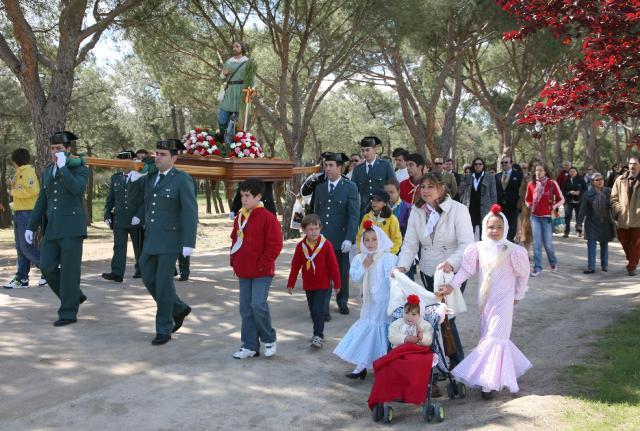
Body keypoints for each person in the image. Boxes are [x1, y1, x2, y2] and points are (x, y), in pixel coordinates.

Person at [440, 204, 531, 399]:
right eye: (491, 227)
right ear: (484, 227)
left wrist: (518, 295)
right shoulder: (478, 248)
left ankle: (489, 384)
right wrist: (451, 285)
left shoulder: (513, 250)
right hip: (485, 301)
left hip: (504, 302)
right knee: (486, 336)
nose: (495, 231)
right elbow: (466, 270)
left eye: (499, 227)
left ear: (505, 227)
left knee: (495, 338)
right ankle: (489, 375)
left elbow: (523, 275)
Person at [396, 172, 474, 367]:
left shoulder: (458, 210)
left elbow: (467, 244)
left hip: (451, 273)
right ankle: (434, 366)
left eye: (430, 186)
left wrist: (452, 263)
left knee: (447, 318)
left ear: (441, 188)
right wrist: (402, 266)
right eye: (422, 187)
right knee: (430, 318)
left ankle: (457, 365)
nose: (425, 191)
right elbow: (410, 244)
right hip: (428, 270)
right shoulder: (417, 211)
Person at [26, 131, 88, 326]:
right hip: (52, 228)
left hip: (72, 228)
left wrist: (64, 168)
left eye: (59, 148)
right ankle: (74, 295)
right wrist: (31, 225)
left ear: (69, 150)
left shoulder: (81, 169)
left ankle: (68, 312)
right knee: (46, 266)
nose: (55, 152)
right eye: (53, 148)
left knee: (70, 272)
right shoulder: (47, 171)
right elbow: (42, 200)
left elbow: (77, 189)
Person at [139, 139, 197, 345]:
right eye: (157, 153)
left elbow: (190, 212)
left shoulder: (182, 179)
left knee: (163, 284)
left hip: (170, 240)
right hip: (152, 238)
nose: (158, 157)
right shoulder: (151, 177)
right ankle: (178, 308)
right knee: (147, 277)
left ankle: (164, 328)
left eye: (162, 154)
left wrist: (188, 242)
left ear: (174, 158)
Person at [333, 223, 397, 379]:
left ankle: (382, 365)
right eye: (367, 240)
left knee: (382, 330)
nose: (370, 243)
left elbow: (394, 280)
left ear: (380, 239)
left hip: (385, 300)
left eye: (374, 239)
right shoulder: (360, 258)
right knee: (367, 328)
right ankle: (361, 364)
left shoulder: (389, 258)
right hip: (369, 301)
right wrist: (364, 266)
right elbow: (355, 277)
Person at [230, 178, 283, 358]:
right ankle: (250, 345)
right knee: (245, 308)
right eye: (242, 195)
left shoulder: (268, 217)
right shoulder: (240, 216)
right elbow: (235, 239)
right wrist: (234, 261)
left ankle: (269, 339)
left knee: (257, 305)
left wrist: (263, 264)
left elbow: (275, 244)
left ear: (258, 196)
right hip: (244, 270)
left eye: (247, 196)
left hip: (262, 271)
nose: (243, 199)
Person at [313, 152, 360, 318]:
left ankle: (342, 301)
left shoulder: (350, 187)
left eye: (331, 165)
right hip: (323, 239)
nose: (327, 169)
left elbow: (353, 215)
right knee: (324, 273)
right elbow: (315, 214)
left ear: (340, 168)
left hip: (341, 238)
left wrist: (349, 237)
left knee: (341, 272)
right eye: (326, 165)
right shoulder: (319, 188)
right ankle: (324, 308)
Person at [287, 214, 341, 348]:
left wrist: (337, 283)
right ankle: (316, 332)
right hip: (309, 284)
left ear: (320, 228)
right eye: (310, 229)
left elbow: (334, 266)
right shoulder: (301, 246)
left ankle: (318, 335)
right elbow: (295, 265)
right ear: (304, 230)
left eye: (316, 228)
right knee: (313, 310)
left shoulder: (326, 245)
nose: (314, 232)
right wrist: (291, 282)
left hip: (323, 284)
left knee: (318, 309)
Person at [3, 148, 47, 289]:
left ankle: (50, 270)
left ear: (15, 161)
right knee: (20, 248)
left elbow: (33, 191)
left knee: (27, 248)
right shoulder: (19, 174)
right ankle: (22, 278)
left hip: (28, 213)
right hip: (19, 213)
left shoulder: (28, 173)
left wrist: (13, 191)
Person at [102, 150, 144, 283]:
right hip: (120, 219)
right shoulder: (116, 178)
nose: (123, 165)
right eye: (120, 162)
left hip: (135, 219)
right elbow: (110, 199)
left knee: (139, 246)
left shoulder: (140, 177)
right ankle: (117, 273)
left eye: (126, 161)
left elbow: (145, 199)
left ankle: (141, 270)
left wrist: (139, 215)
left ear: (133, 161)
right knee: (119, 246)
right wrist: (107, 213)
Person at [525, 162, 564, 277]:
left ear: (545, 171)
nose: (538, 172)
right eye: (537, 170)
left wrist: (552, 207)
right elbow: (527, 199)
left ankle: (553, 262)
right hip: (535, 217)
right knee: (536, 244)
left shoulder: (552, 184)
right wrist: (529, 205)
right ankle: (537, 268)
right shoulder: (531, 184)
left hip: (547, 218)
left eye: (541, 170)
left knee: (548, 244)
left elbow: (562, 199)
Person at [576, 172, 614, 274]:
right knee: (591, 245)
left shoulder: (608, 192)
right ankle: (591, 267)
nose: (600, 181)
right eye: (597, 180)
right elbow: (582, 210)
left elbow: (613, 206)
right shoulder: (587, 194)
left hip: (605, 222)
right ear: (592, 182)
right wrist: (579, 223)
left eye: (601, 179)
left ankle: (604, 265)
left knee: (604, 244)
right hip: (592, 223)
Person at [218, 41, 257, 139]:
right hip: (229, 91)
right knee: (222, 119)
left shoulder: (248, 62)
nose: (234, 48)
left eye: (237, 46)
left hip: (242, 92)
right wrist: (223, 74)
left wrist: (252, 89)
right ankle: (223, 137)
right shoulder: (228, 62)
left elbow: (253, 78)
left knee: (239, 122)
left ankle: (235, 144)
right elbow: (221, 79)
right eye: (233, 47)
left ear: (242, 48)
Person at [351, 136, 396, 216]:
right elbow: (352, 192)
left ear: (375, 149)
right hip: (365, 213)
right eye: (363, 150)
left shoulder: (385, 165)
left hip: (383, 212)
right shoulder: (358, 170)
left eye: (367, 150)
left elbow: (393, 187)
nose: (365, 153)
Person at [610, 156, 640, 276]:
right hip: (623, 218)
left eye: (635, 164)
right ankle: (632, 258)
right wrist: (619, 210)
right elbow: (613, 198)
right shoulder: (620, 180)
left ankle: (631, 266)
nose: (632, 166)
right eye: (630, 164)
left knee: (636, 243)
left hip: (638, 219)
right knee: (624, 242)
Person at [355, 190, 402, 254]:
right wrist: (362, 251)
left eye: (378, 200)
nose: (374, 203)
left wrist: (389, 254)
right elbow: (360, 236)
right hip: (368, 255)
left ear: (385, 203)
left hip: (385, 255)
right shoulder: (366, 217)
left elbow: (397, 240)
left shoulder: (392, 219)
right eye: (373, 200)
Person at [462, 157, 497, 239]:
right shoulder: (469, 177)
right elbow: (463, 193)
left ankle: (484, 249)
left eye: (480, 164)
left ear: (483, 165)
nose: (478, 165)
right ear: (473, 166)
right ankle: (471, 249)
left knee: (484, 231)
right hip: (470, 208)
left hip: (485, 208)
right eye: (476, 164)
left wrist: (494, 209)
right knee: (469, 231)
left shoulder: (489, 177)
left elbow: (493, 194)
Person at [495, 156, 523, 242]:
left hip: (513, 205)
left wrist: (519, 203)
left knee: (511, 228)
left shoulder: (518, 175)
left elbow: (521, 191)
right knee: (501, 226)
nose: (504, 164)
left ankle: (509, 244)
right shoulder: (497, 176)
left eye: (506, 162)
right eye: (502, 163)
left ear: (511, 163)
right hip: (500, 206)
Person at [562, 167, 587, 238]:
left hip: (579, 200)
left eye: (574, 171)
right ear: (569, 173)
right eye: (571, 171)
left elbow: (586, 189)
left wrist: (579, 192)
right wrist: (569, 192)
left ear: (576, 172)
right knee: (567, 216)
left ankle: (579, 231)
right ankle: (566, 231)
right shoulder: (566, 180)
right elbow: (563, 190)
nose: (572, 173)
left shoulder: (581, 179)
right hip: (568, 201)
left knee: (578, 216)